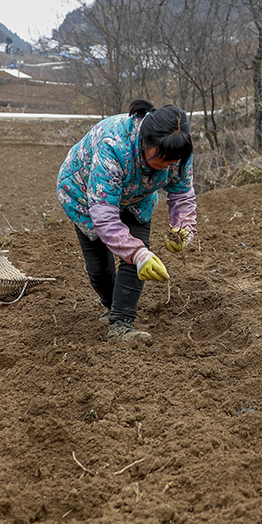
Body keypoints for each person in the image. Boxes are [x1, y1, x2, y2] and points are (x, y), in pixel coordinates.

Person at [57, 99, 197, 345]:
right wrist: (136, 253)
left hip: (136, 198)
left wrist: (183, 228)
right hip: (87, 198)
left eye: (172, 162)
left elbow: (182, 193)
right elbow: (104, 213)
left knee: (137, 253)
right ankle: (112, 306)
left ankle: (121, 326)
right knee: (99, 268)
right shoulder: (114, 146)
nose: (167, 166)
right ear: (146, 141)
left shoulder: (179, 152)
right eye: (161, 159)